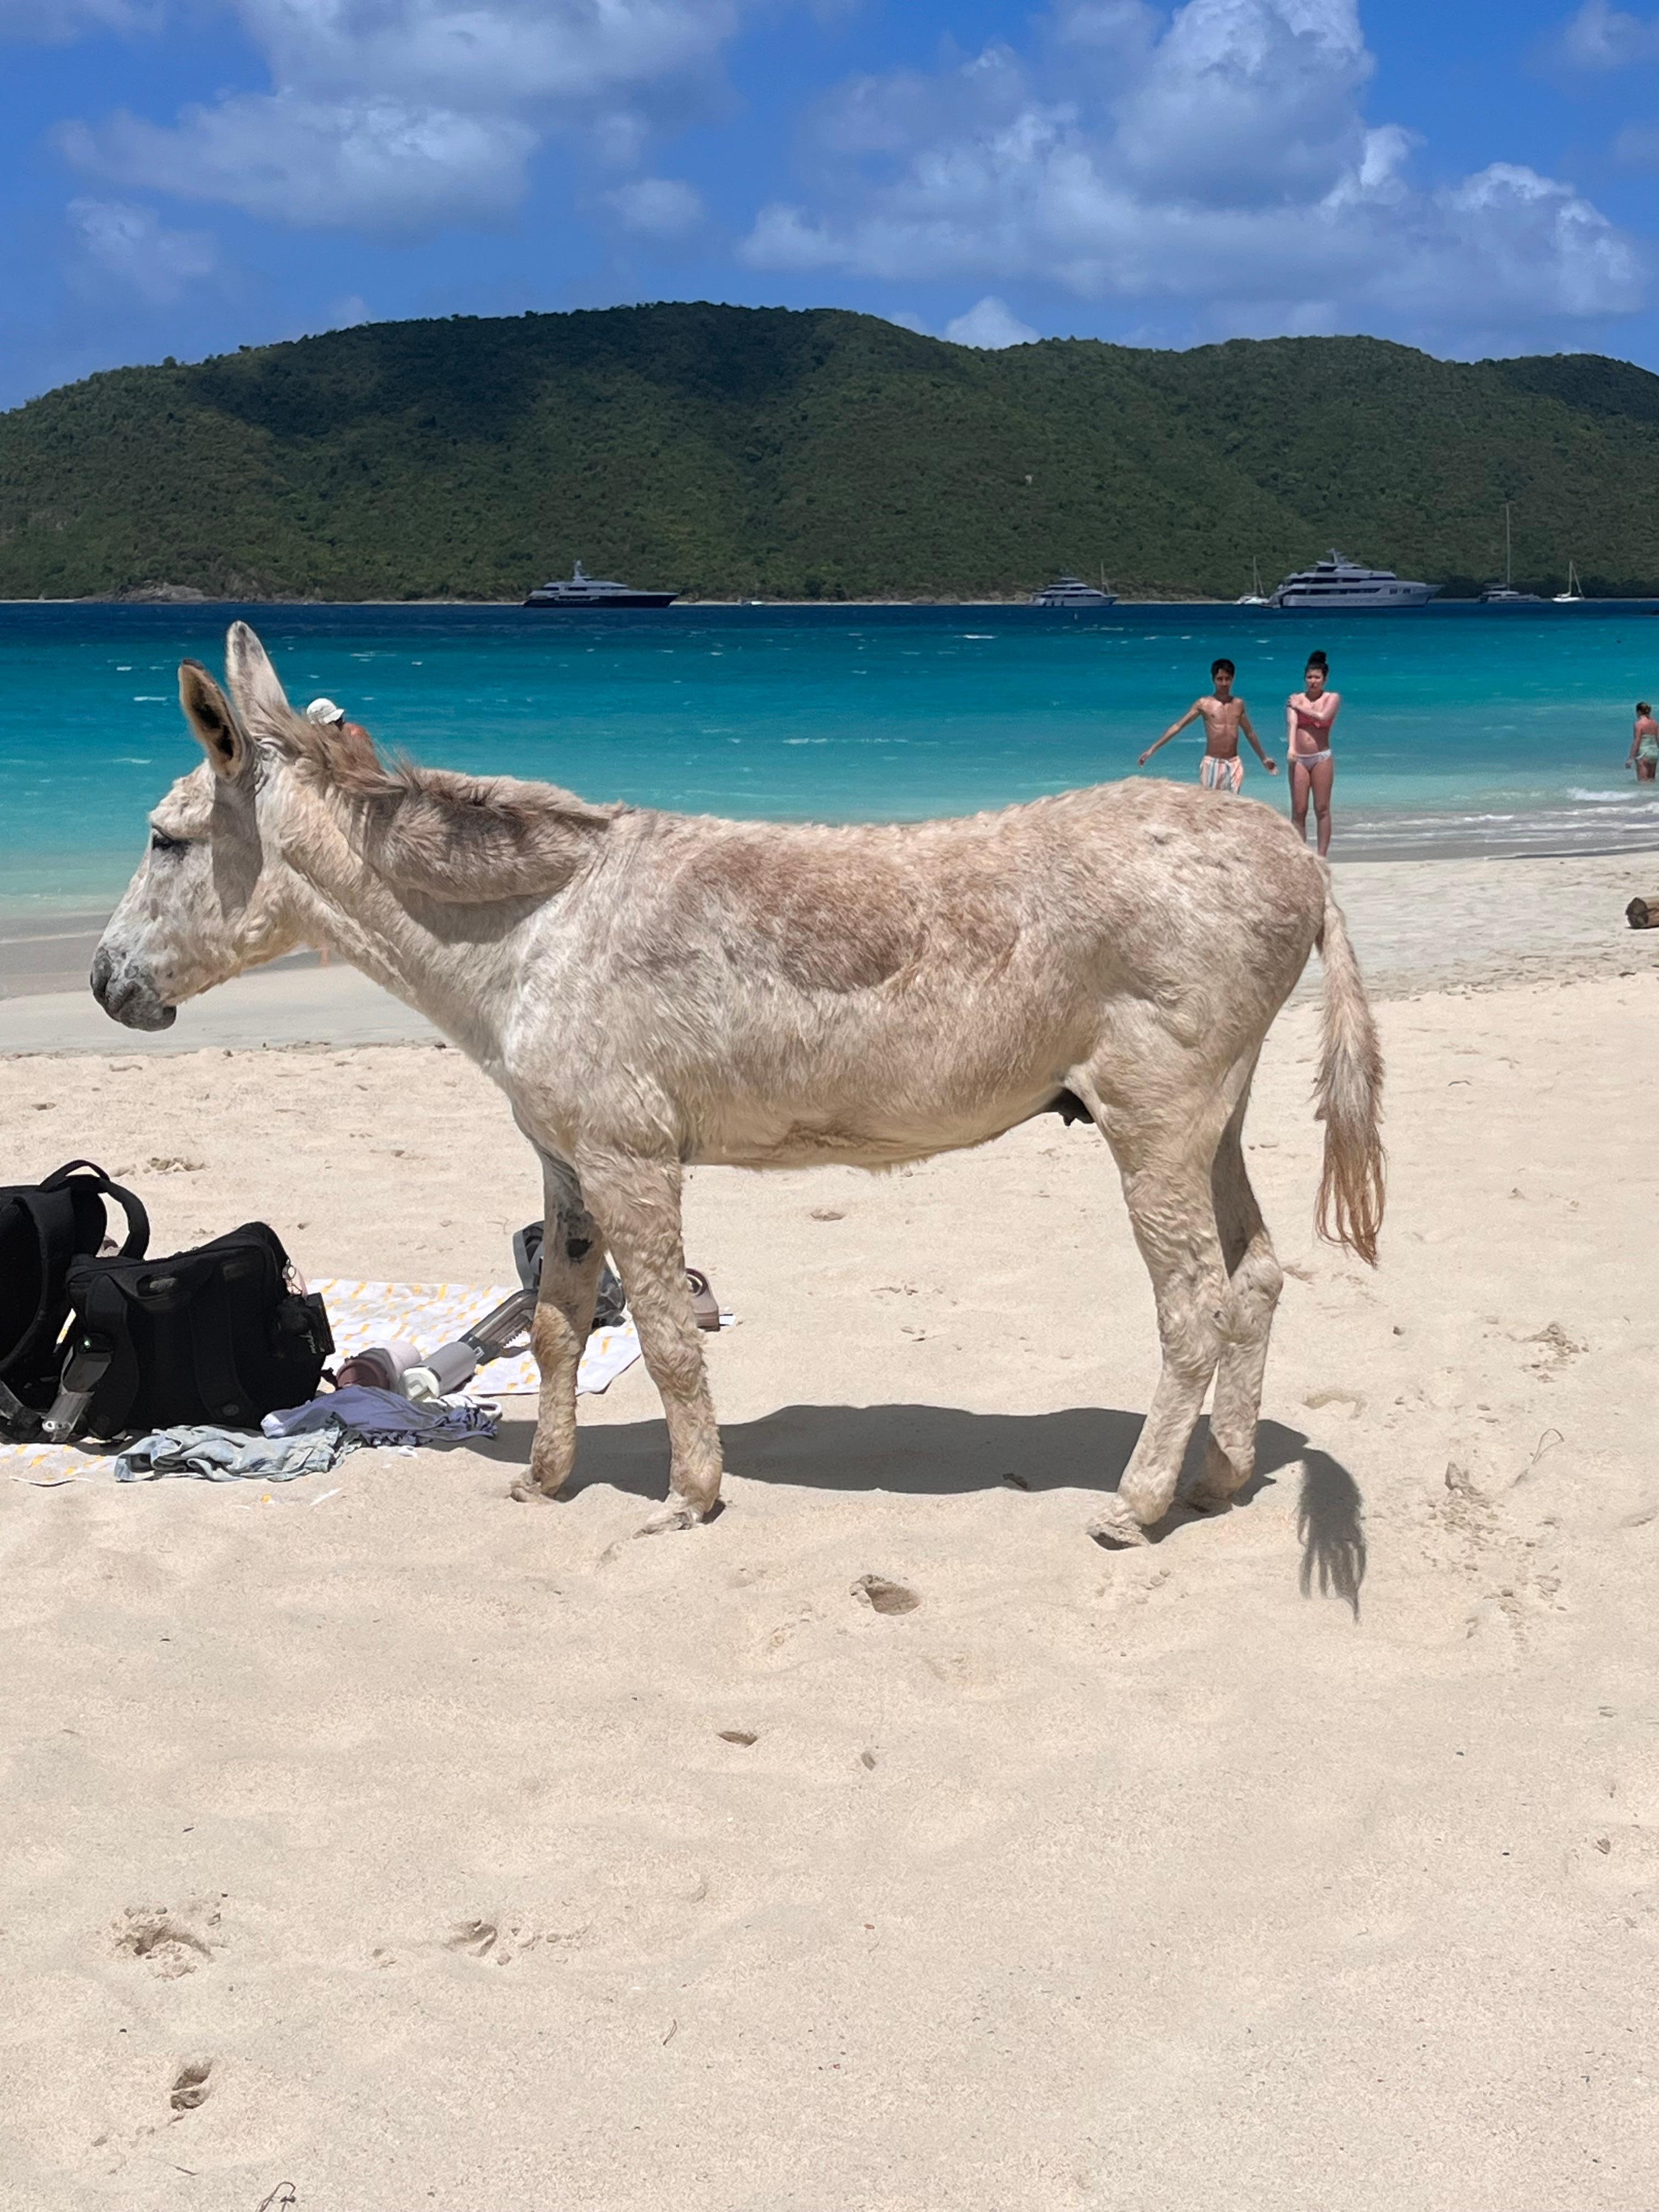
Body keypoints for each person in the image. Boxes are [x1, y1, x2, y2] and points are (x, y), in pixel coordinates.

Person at [1138, 658, 1277, 791]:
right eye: (1220, 679)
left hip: (1234, 763)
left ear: (1233, 679)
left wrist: (1264, 759)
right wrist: (1152, 749)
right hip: (1212, 763)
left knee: (1231, 806)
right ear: (1213, 680)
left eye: (1227, 679)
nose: (1224, 683)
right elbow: (1178, 726)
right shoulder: (1204, 704)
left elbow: (1250, 733)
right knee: (1212, 807)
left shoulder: (1238, 704)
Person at [1285, 650, 1340, 856]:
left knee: (1322, 808)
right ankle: (1300, 854)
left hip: (1321, 757)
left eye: (1317, 677)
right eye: (1309, 677)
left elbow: (1324, 717)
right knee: (1299, 810)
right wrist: (1291, 748)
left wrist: (1302, 708)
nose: (1313, 681)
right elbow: (1292, 724)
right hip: (1300, 758)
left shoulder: (1332, 698)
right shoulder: (1296, 698)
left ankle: (1322, 856)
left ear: (1325, 679)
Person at [1629, 702, 1659, 783]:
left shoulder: (1639, 724)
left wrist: (1631, 758)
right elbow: (1658, 739)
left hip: (1644, 753)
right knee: (1651, 780)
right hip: (1654, 752)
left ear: (1639, 712)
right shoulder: (1655, 723)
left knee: (1643, 782)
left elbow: (1637, 741)